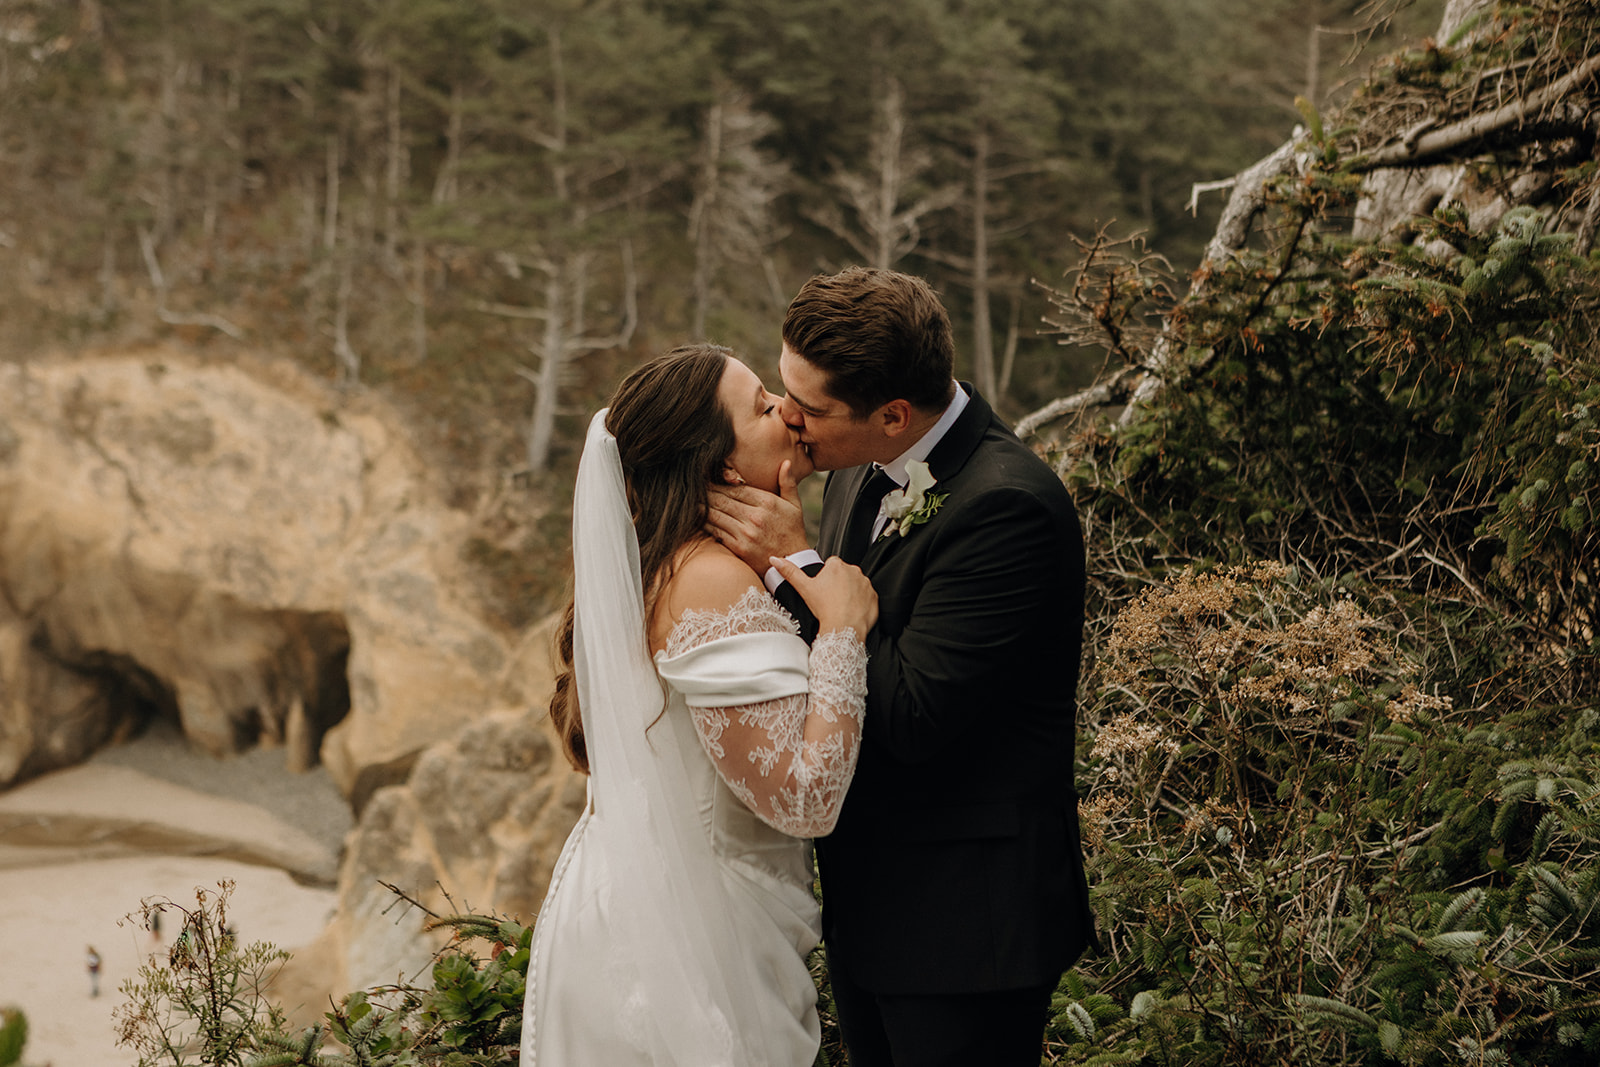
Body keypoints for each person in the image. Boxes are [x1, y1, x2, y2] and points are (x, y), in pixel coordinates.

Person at [707, 267, 1097, 1067]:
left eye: (806, 407)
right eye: (783, 390)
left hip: (967, 926)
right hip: (873, 904)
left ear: (892, 414)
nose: (786, 416)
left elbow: (913, 715)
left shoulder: (1007, 508)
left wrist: (796, 561)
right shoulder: (860, 462)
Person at [520, 343, 878, 1066]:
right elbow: (805, 802)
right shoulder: (708, 582)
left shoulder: (674, 565)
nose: (786, 408)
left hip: (647, 907)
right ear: (718, 465)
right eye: (761, 405)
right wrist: (842, 628)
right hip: (690, 946)